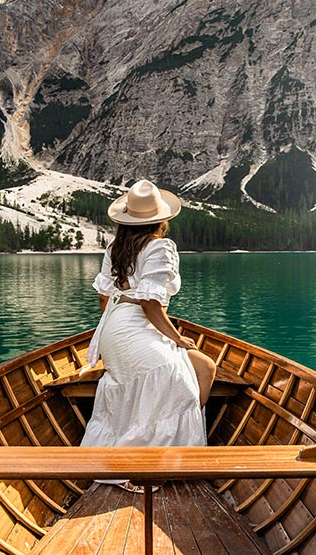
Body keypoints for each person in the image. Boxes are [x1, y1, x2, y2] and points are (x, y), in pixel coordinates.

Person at [80, 180, 216, 490]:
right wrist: (178, 339)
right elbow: (150, 304)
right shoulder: (160, 246)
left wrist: (112, 339)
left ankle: (167, 454)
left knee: (203, 369)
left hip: (116, 324)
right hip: (139, 324)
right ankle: (146, 467)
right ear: (161, 219)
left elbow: (104, 298)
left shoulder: (115, 247)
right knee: (178, 380)